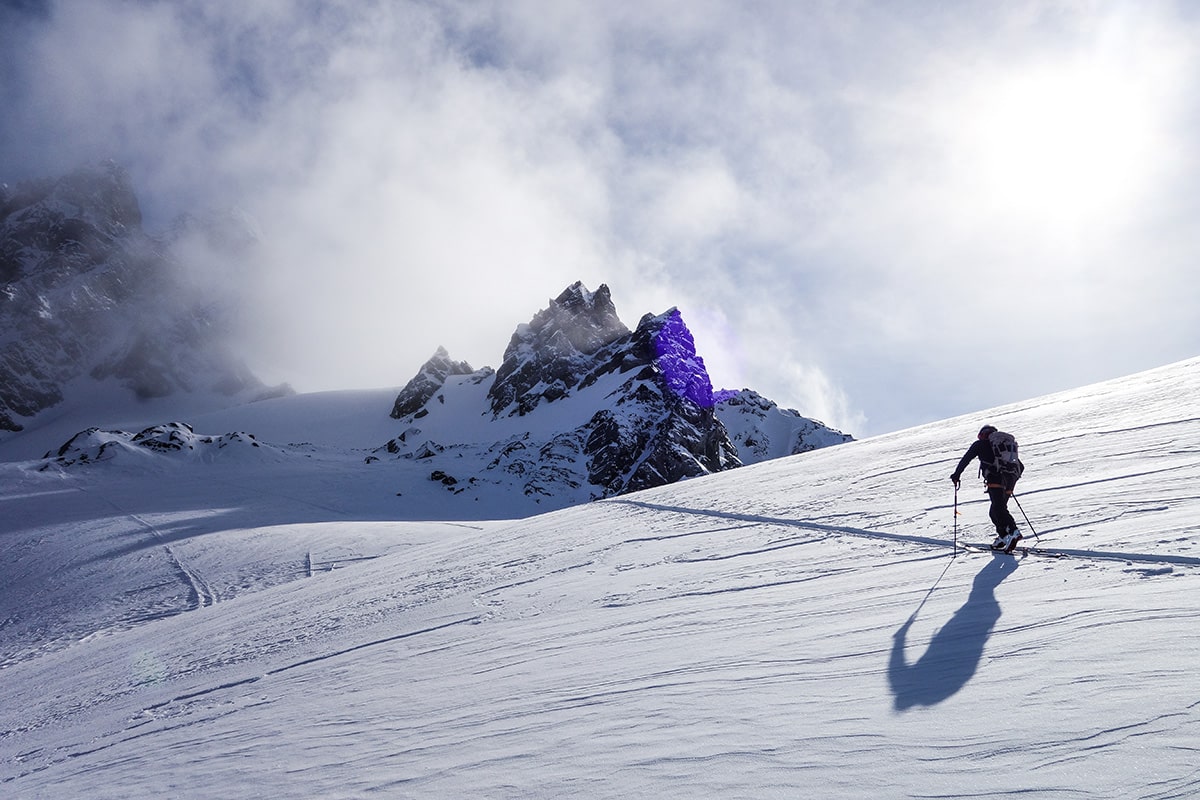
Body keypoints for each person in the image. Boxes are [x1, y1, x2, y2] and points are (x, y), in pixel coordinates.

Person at [951, 424, 1024, 551]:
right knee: (995, 511)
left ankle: (1014, 532)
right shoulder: (1003, 448)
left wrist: (956, 475)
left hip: (994, 480)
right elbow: (1020, 466)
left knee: (999, 509)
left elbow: (966, 459)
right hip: (1008, 482)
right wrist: (1011, 484)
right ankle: (1003, 536)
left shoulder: (980, 445)